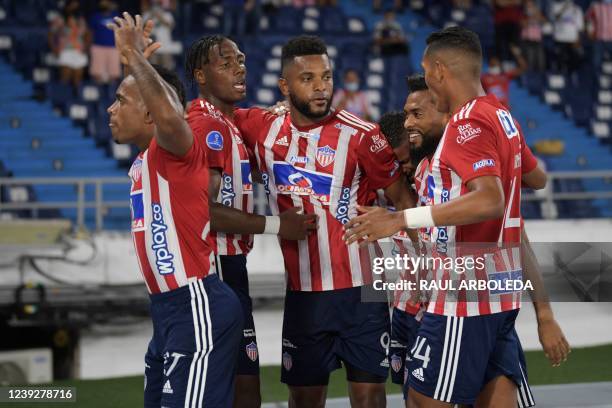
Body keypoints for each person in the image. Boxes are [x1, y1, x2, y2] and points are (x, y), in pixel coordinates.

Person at [342, 26, 546, 407]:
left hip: (463, 293)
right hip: (498, 292)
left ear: (438, 70)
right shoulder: (502, 117)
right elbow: (537, 177)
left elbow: (490, 200)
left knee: (423, 399)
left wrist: (401, 220)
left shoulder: (465, 123)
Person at [234, 35, 415, 408]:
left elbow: (405, 203)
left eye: (327, 77)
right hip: (304, 295)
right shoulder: (258, 127)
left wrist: (399, 227)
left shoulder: (363, 136)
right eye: (308, 79)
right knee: (303, 400)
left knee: (368, 398)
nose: (321, 87)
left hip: (363, 292)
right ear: (284, 86)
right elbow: (208, 117)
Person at [386, 74, 568, 405]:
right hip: (415, 309)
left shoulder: (464, 162)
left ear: (443, 110)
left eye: (417, 114)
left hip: (463, 307)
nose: (409, 124)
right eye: (406, 115)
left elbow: (517, 234)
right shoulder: (416, 165)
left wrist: (545, 315)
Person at [106, 12, 242, 407]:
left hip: (194, 304)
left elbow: (171, 113)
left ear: (151, 112)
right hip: (167, 311)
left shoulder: (177, 150)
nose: (111, 110)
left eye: (120, 101)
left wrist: (135, 59)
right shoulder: (144, 161)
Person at [184, 34, 318, 408]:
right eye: (224, 63)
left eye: (240, 59)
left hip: (230, 267)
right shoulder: (206, 127)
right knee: (235, 389)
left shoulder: (227, 123)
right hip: (216, 266)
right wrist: (278, 225)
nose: (238, 67)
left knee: (243, 385)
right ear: (201, 75)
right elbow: (202, 208)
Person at [48, 0, 90, 92]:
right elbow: (51, 34)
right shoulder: (59, 19)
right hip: (65, 50)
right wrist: (54, 48)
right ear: (67, 6)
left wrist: (86, 47)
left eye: (76, 6)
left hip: (79, 50)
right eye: (72, 5)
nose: (74, 7)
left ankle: (76, 96)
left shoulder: (81, 20)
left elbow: (87, 34)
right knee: (65, 76)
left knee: (77, 77)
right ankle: (63, 95)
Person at [89, 0, 121, 84]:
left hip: (113, 47)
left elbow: (120, 31)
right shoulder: (95, 17)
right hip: (98, 46)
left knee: (114, 74)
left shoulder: (116, 16)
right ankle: (99, 92)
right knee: (97, 74)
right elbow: (90, 32)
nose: (104, 4)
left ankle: (111, 93)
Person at [550, 0, 584, 76]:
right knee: (559, 59)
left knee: (573, 59)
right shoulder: (556, 6)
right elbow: (555, 18)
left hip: (572, 38)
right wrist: (564, 8)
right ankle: (559, 76)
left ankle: (571, 76)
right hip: (560, 38)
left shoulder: (577, 9)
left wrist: (578, 39)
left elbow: (580, 26)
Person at [142, 0, 177, 69]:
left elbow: (171, 25)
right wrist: (151, 15)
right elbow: (143, 26)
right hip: (152, 44)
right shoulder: (146, 14)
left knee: (167, 67)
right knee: (153, 67)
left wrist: (159, 17)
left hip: (165, 44)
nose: (156, 7)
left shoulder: (167, 14)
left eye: (158, 5)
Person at [521, 0, 547, 73]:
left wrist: (537, 15)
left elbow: (545, 21)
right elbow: (522, 24)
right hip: (527, 39)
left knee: (540, 60)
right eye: (528, 3)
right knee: (530, 59)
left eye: (531, 3)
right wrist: (530, 18)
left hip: (537, 39)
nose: (530, 5)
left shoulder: (537, 12)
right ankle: (529, 77)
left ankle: (541, 77)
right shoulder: (522, 13)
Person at [586, 0, 612, 70]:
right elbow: (588, 19)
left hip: (611, 38)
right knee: (596, 62)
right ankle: (597, 80)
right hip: (598, 38)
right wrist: (590, 32)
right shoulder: (595, 6)